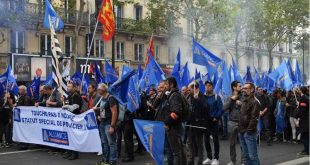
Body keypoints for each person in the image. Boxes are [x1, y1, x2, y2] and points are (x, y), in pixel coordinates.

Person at [187, 81, 210, 165]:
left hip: (199, 124)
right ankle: (190, 159)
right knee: (190, 143)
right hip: (190, 123)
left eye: (190, 89)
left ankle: (200, 160)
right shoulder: (189, 96)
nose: (189, 91)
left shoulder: (202, 96)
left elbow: (206, 108)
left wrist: (198, 100)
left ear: (195, 88)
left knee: (199, 143)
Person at [164, 77, 186, 165]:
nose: (165, 86)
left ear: (171, 85)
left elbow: (176, 112)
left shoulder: (174, 95)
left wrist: (167, 123)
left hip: (173, 128)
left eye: (166, 84)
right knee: (179, 150)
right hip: (175, 127)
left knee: (176, 153)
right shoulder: (175, 94)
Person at [223, 81, 246, 165]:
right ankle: (233, 161)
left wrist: (241, 104)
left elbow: (248, 108)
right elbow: (224, 108)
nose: (242, 87)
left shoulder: (244, 96)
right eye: (239, 86)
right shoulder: (229, 97)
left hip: (242, 122)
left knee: (243, 143)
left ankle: (244, 161)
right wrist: (231, 100)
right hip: (231, 122)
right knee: (232, 143)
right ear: (234, 87)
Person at [96, 83, 119, 165]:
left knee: (111, 142)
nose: (98, 90)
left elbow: (114, 112)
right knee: (104, 142)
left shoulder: (110, 98)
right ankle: (105, 160)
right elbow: (104, 108)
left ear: (104, 90)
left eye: (99, 89)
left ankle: (113, 160)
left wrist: (112, 126)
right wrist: (98, 111)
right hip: (102, 122)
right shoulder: (102, 98)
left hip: (109, 123)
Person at [239, 83, 260, 165]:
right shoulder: (244, 100)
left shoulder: (255, 102)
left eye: (246, 88)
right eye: (243, 88)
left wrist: (248, 131)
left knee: (252, 156)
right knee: (246, 156)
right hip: (242, 131)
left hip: (249, 133)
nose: (244, 90)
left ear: (252, 90)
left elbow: (254, 118)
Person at [153, 80, 174, 165]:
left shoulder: (169, 96)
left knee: (170, 148)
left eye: (161, 87)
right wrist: (157, 98)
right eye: (158, 88)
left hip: (167, 125)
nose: (159, 89)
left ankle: (171, 162)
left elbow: (171, 111)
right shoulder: (160, 96)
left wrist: (168, 124)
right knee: (164, 146)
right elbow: (154, 106)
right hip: (160, 125)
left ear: (166, 87)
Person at [62, 81, 82, 160]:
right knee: (69, 136)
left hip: (74, 118)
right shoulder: (69, 95)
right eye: (68, 86)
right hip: (69, 118)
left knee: (73, 137)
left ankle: (75, 154)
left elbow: (75, 107)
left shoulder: (76, 95)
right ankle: (69, 152)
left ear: (74, 87)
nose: (68, 88)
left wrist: (66, 106)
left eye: (70, 86)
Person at [203, 81, 223, 165]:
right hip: (205, 121)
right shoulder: (202, 97)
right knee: (206, 139)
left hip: (214, 121)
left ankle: (216, 158)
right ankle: (209, 157)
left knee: (215, 139)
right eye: (206, 85)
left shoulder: (216, 97)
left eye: (209, 85)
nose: (208, 87)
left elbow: (220, 109)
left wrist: (217, 117)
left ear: (212, 87)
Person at [16, 85, 33, 150]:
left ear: (23, 90)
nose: (18, 91)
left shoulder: (27, 97)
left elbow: (26, 107)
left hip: (25, 117)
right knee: (22, 130)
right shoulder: (21, 96)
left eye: (19, 90)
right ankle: (22, 143)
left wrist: (18, 106)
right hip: (21, 117)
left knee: (25, 131)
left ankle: (25, 145)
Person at [296, 86, 309, 156]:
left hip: (304, 120)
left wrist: (298, 119)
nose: (298, 90)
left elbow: (302, 111)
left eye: (299, 89)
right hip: (306, 120)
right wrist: (299, 105)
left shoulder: (303, 99)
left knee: (304, 136)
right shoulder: (305, 98)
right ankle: (306, 149)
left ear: (301, 91)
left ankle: (307, 151)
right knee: (305, 135)